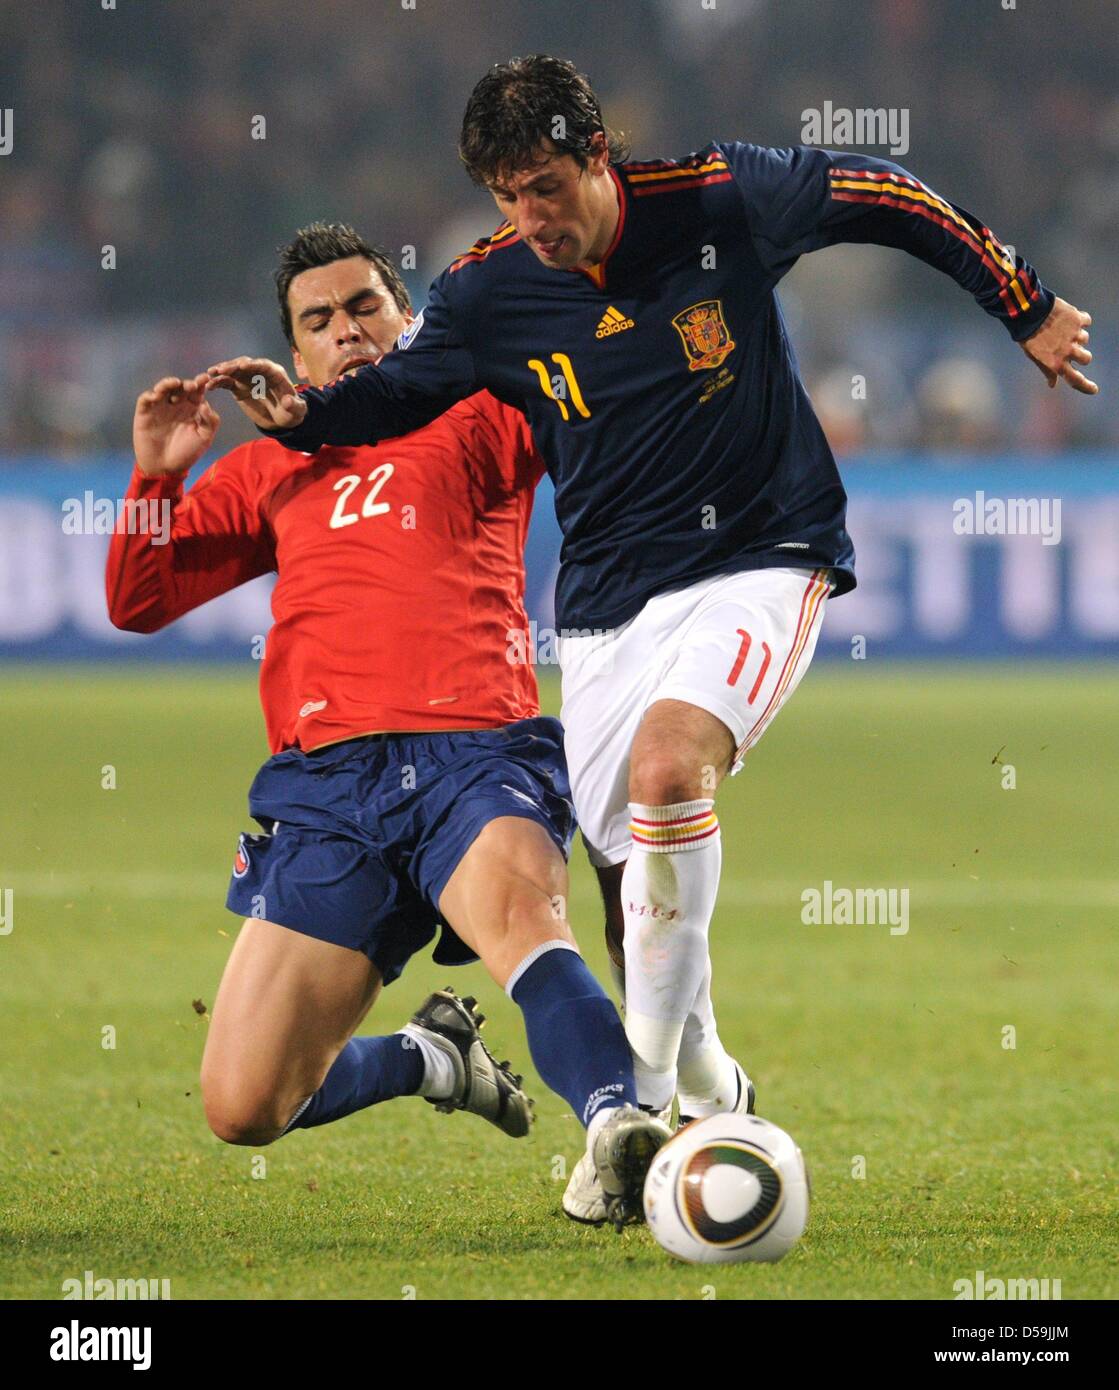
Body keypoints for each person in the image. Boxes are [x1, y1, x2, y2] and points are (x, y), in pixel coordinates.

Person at [206, 57, 1097, 1223]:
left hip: (762, 556)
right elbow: (400, 394)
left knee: (673, 772)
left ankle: (640, 1102)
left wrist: (1019, 300)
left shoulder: (720, 198)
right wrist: (309, 414)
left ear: (595, 156)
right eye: (505, 196)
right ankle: (712, 1083)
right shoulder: (489, 291)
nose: (532, 218)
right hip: (609, 606)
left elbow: (887, 196)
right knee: (634, 881)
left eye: (545, 186)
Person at [107, 222, 670, 1230]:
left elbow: (598, 393)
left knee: (525, 927)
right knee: (242, 1104)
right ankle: (428, 1058)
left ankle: (618, 1126)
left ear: (407, 317)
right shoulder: (268, 464)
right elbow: (138, 598)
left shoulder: (480, 409)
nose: (348, 331)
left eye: (366, 305)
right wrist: (156, 474)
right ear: (293, 350)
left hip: (473, 750)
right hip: (327, 793)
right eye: (318, 320)